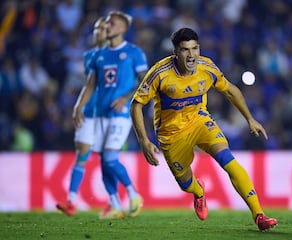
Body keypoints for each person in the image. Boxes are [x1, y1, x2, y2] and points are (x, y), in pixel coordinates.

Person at [130, 28, 278, 232]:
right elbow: (136, 104)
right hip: (171, 134)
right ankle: (198, 192)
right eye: (185, 50)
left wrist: (250, 119)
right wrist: (144, 141)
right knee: (185, 183)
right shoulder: (160, 73)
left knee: (228, 160)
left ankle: (259, 215)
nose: (191, 55)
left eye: (194, 48)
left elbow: (231, 90)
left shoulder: (206, 67)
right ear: (175, 52)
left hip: (200, 121)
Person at [71, 11, 148, 219]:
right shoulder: (99, 55)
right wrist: (79, 106)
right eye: (107, 24)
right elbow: (90, 85)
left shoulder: (134, 52)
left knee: (111, 157)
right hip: (101, 114)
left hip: (121, 113)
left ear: (123, 29)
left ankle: (133, 194)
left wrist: (126, 98)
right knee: (104, 159)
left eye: (112, 24)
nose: (107, 27)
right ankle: (115, 203)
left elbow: (146, 82)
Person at [56, 16, 117, 217]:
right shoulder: (89, 55)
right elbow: (88, 85)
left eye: (102, 28)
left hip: (107, 115)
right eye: (96, 28)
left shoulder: (117, 56)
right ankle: (71, 201)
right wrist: (79, 105)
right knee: (81, 154)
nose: (98, 32)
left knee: (107, 159)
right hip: (89, 113)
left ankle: (114, 201)